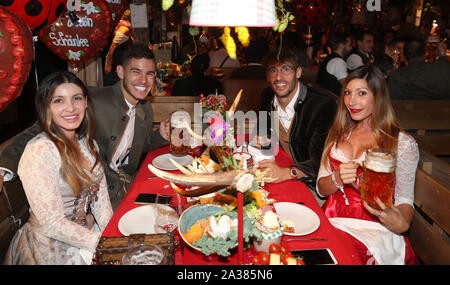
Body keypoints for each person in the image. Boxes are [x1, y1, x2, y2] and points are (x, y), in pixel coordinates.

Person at [0, 44, 170, 210]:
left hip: (127, 188)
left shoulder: (145, 109)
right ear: (120, 72)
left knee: (170, 201)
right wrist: (3, 167)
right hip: (97, 201)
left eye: (150, 74)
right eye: (136, 72)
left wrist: (161, 135)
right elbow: (39, 129)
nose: (143, 80)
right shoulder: (93, 100)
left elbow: (137, 145)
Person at [3, 71, 113, 265]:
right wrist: (105, 244)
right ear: (46, 107)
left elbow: (102, 206)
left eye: (76, 98)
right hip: (47, 249)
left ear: (86, 102)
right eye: (58, 101)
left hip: (83, 235)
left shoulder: (88, 145)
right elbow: (53, 225)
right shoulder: (40, 151)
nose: (70, 108)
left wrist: (113, 237)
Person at [316, 66, 419, 265]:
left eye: (361, 93)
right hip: (333, 220)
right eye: (347, 93)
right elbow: (321, 189)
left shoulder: (402, 143)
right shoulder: (339, 133)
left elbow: (405, 198)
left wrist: (401, 222)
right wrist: (337, 178)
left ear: (378, 97)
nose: (351, 101)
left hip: (376, 229)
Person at [255, 46, 338, 204]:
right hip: (279, 173)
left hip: (313, 187)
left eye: (286, 69)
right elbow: (263, 132)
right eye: (273, 70)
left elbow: (321, 160)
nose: (278, 77)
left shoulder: (322, 105)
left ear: (298, 72)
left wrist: (287, 172)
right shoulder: (267, 96)